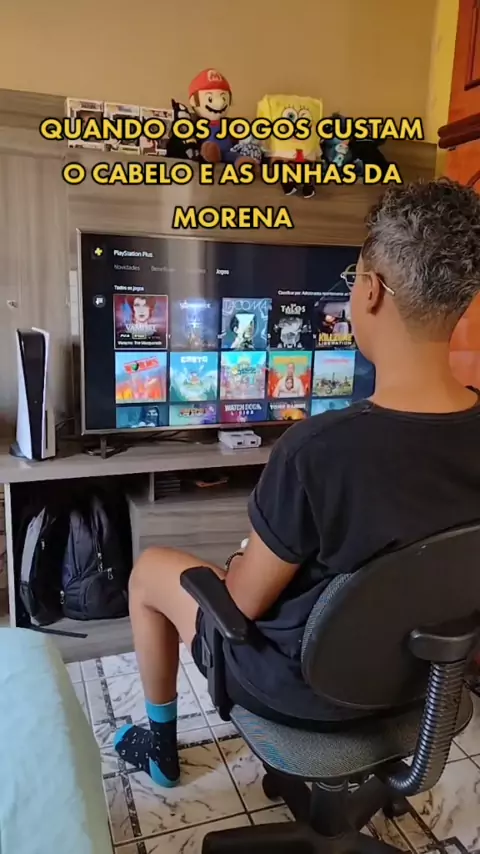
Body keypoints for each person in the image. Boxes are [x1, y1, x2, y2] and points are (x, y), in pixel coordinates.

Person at [114, 178, 480, 787]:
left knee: (152, 570)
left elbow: (243, 604)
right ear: (461, 304)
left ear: (370, 291)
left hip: (303, 693)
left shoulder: (316, 450)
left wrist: (240, 561)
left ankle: (159, 752)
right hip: (427, 682)